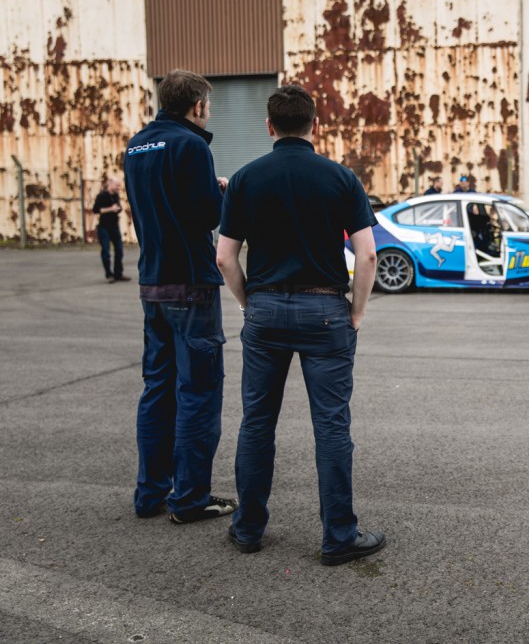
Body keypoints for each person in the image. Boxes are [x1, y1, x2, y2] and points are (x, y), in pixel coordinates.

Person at [216, 84, 384, 565]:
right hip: (324, 312)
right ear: (315, 124)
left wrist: (252, 304)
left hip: (266, 311)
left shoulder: (246, 179)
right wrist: (356, 311)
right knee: (331, 426)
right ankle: (338, 537)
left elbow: (225, 258)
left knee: (257, 423)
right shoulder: (340, 178)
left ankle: (248, 529)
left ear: (269, 126)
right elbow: (367, 253)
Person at [123, 69, 236, 523]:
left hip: (152, 282)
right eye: (207, 103)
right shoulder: (191, 145)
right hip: (191, 282)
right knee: (198, 393)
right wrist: (222, 190)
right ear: (197, 105)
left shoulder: (137, 144)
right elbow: (207, 213)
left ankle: (150, 494)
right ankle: (190, 498)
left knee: (157, 389)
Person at [92, 177, 130, 283]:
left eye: (119, 186)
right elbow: (96, 210)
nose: (119, 188)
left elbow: (118, 208)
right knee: (106, 252)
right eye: (117, 185)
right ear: (111, 184)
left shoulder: (116, 196)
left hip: (114, 227)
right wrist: (110, 209)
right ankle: (109, 274)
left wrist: (118, 209)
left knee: (119, 250)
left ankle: (118, 274)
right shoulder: (102, 196)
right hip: (104, 227)